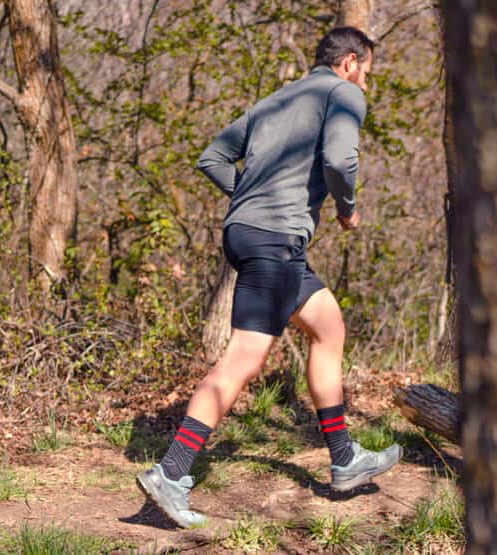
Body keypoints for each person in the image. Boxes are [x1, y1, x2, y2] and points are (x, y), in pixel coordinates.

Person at [136, 26, 402, 528]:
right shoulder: (342, 94)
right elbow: (340, 160)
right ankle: (170, 474)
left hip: (252, 235)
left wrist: (248, 197)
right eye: (366, 72)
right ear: (349, 62)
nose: (366, 83)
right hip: (276, 238)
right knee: (245, 356)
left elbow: (211, 156)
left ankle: (344, 459)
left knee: (328, 327)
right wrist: (347, 209)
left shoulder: (275, 102)